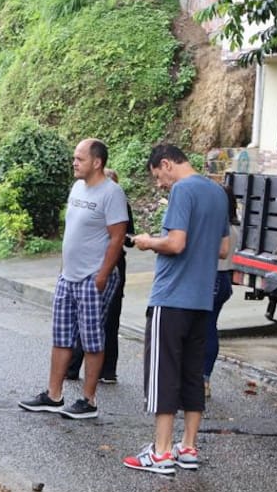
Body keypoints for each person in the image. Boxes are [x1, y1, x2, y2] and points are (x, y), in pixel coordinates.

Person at [122, 143, 229, 474]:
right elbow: (223, 249)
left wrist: (147, 241)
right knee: (192, 374)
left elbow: (175, 243)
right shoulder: (217, 192)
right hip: (202, 298)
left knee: (163, 373)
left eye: (157, 177)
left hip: (171, 297)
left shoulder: (183, 190)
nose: (160, 185)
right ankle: (188, 447)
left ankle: (161, 452)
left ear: (166, 164)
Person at [19, 138, 128, 419]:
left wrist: (103, 275)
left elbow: (117, 238)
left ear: (97, 162)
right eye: (74, 158)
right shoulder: (78, 187)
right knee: (61, 336)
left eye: (79, 159)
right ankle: (53, 395)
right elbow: (73, 233)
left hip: (93, 276)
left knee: (92, 339)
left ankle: (88, 401)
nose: (74, 163)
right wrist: (63, 269)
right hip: (68, 276)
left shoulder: (112, 193)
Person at [66, 167, 133, 384]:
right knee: (82, 319)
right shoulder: (81, 195)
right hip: (84, 262)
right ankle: (73, 368)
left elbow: (123, 236)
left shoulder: (118, 201)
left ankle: (106, 371)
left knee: (106, 319)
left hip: (109, 263)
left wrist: (103, 274)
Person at [203, 187, 240, 398]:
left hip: (212, 277)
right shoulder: (234, 226)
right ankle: (204, 377)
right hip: (224, 280)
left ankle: (201, 379)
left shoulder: (219, 227)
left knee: (203, 329)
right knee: (209, 327)